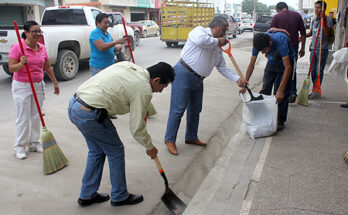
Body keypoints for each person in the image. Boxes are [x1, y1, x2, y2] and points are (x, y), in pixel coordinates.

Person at [68, 61, 174, 207]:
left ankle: (87, 195)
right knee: (116, 151)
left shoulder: (131, 66)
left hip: (75, 105)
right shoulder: (144, 89)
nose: (160, 91)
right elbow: (136, 127)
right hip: (91, 113)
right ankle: (119, 196)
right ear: (156, 81)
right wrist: (149, 146)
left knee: (96, 151)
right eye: (163, 86)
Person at [164, 16, 245, 156]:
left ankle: (191, 136)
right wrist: (217, 41)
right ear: (215, 26)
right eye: (224, 30)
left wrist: (237, 79)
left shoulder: (217, 47)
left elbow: (221, 66)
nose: (225, 34)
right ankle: (169, 139)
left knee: (196, 110)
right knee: (178, 109)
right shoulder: (200, 31)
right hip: (184, 73)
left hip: (198, 79)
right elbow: (201, 41)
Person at [8, 20, 60, 160]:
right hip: (22, 86)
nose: (38, 34)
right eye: (34, 31)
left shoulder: (42, 47)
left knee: (36, 116)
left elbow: (48, 67)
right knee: (23, 117)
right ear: (26, 33)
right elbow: (11, 68)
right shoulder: (17, 47)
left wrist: (55, 83)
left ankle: (34, 143)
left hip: (38, 84)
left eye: (39, 31)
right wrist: (20, 64)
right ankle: (19, 147)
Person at [244, 32, 295, 131]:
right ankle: (262, 115)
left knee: (280, 93)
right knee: (265, 89)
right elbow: (251, 64)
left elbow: (288, 68)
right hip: (272, 63)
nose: (262, 53)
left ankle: (280, 120)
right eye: (260, 50)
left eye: (263, 50)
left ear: (270, 43)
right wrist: (245, 82)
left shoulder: (281, 41)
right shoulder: (258, 43)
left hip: (286, 64)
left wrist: (280, 90)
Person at [269, 2, 306, 103]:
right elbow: (303, 33)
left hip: (280, 50)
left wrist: (269, 52)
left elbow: (271, 32)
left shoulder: (277, 17)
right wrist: (302, 48)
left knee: (280, 71)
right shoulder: (297, 16)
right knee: (292, 70)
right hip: (293, 49)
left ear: (278, 9)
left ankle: (278, 92)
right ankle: (292, 93)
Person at [306, 1, 334, 99]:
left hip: (322, 49)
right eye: (315, 7)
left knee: (319, 71)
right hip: (313, 49)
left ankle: (316, 91)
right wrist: (301, 37)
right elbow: (310, 33)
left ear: (323, 9)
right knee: (313, 71)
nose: (316, 9)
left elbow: (327, 33)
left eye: (318, 8)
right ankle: (315, 89)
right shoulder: (314, 20)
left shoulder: (328, 19)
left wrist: (324, 21)